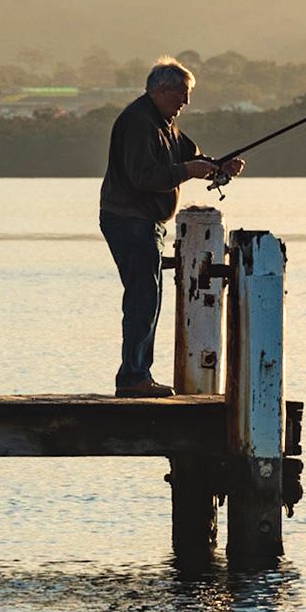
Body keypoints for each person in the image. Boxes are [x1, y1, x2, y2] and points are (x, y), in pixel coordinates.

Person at [99, 57, 244, 396]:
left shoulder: (166, 124)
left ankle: (138, 374)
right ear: (161, 90)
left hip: (146, 223)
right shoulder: (138, 122)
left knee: (149, 299)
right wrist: (187, 171)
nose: (186, 102)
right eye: (182, 93)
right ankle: (133, 378)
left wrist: (220, 167)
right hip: (129, 220)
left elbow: (195, 159)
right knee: (142, 299)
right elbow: (143, 177)